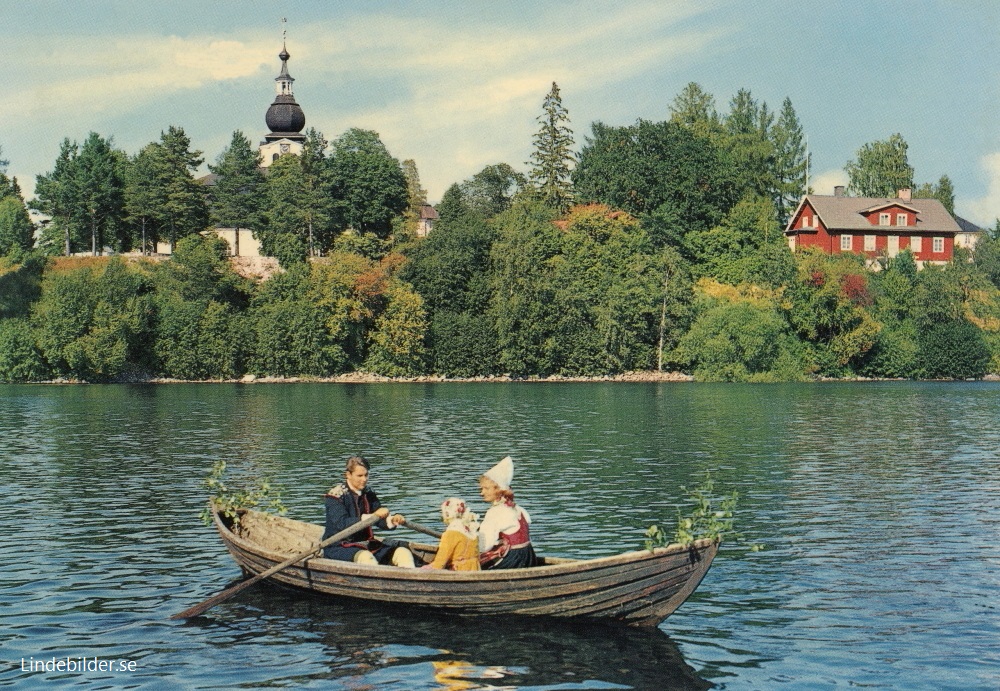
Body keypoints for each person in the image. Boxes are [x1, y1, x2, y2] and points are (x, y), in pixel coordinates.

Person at [322, 455, 415, 567]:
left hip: (367, 545)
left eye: (366, 475)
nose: (364, 479)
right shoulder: (335, 496)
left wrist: (393, 520)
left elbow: (380, 521)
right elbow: (342, 524)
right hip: (339, 546)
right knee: (366, 557)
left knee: (403, 553)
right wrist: (373, 516)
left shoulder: (369, 494)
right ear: (348, 475)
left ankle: (410, 580)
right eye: (359, 476)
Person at [477, 456, 536, 569]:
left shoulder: (495, 512)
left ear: (499, 490)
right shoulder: (517, 508)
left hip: (514, 560)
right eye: (481, 489)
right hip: (529, 557)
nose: (482, 493)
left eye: (486, 488)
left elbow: (484, 546)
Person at [422, 497, 480, 571]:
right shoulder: (471, 530)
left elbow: (440, 562)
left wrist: (426, 568)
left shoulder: (451, 533)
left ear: (447, 514)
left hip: (460, 571)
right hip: (475, 568)